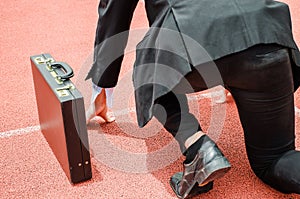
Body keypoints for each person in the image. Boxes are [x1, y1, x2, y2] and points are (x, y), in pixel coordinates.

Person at [86, 0, 300, 198]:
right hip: (265, 35)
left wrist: (102, 86)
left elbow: (114, 11)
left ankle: (199, 148)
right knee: (276, 158)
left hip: (192, 37)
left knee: (148, 69)